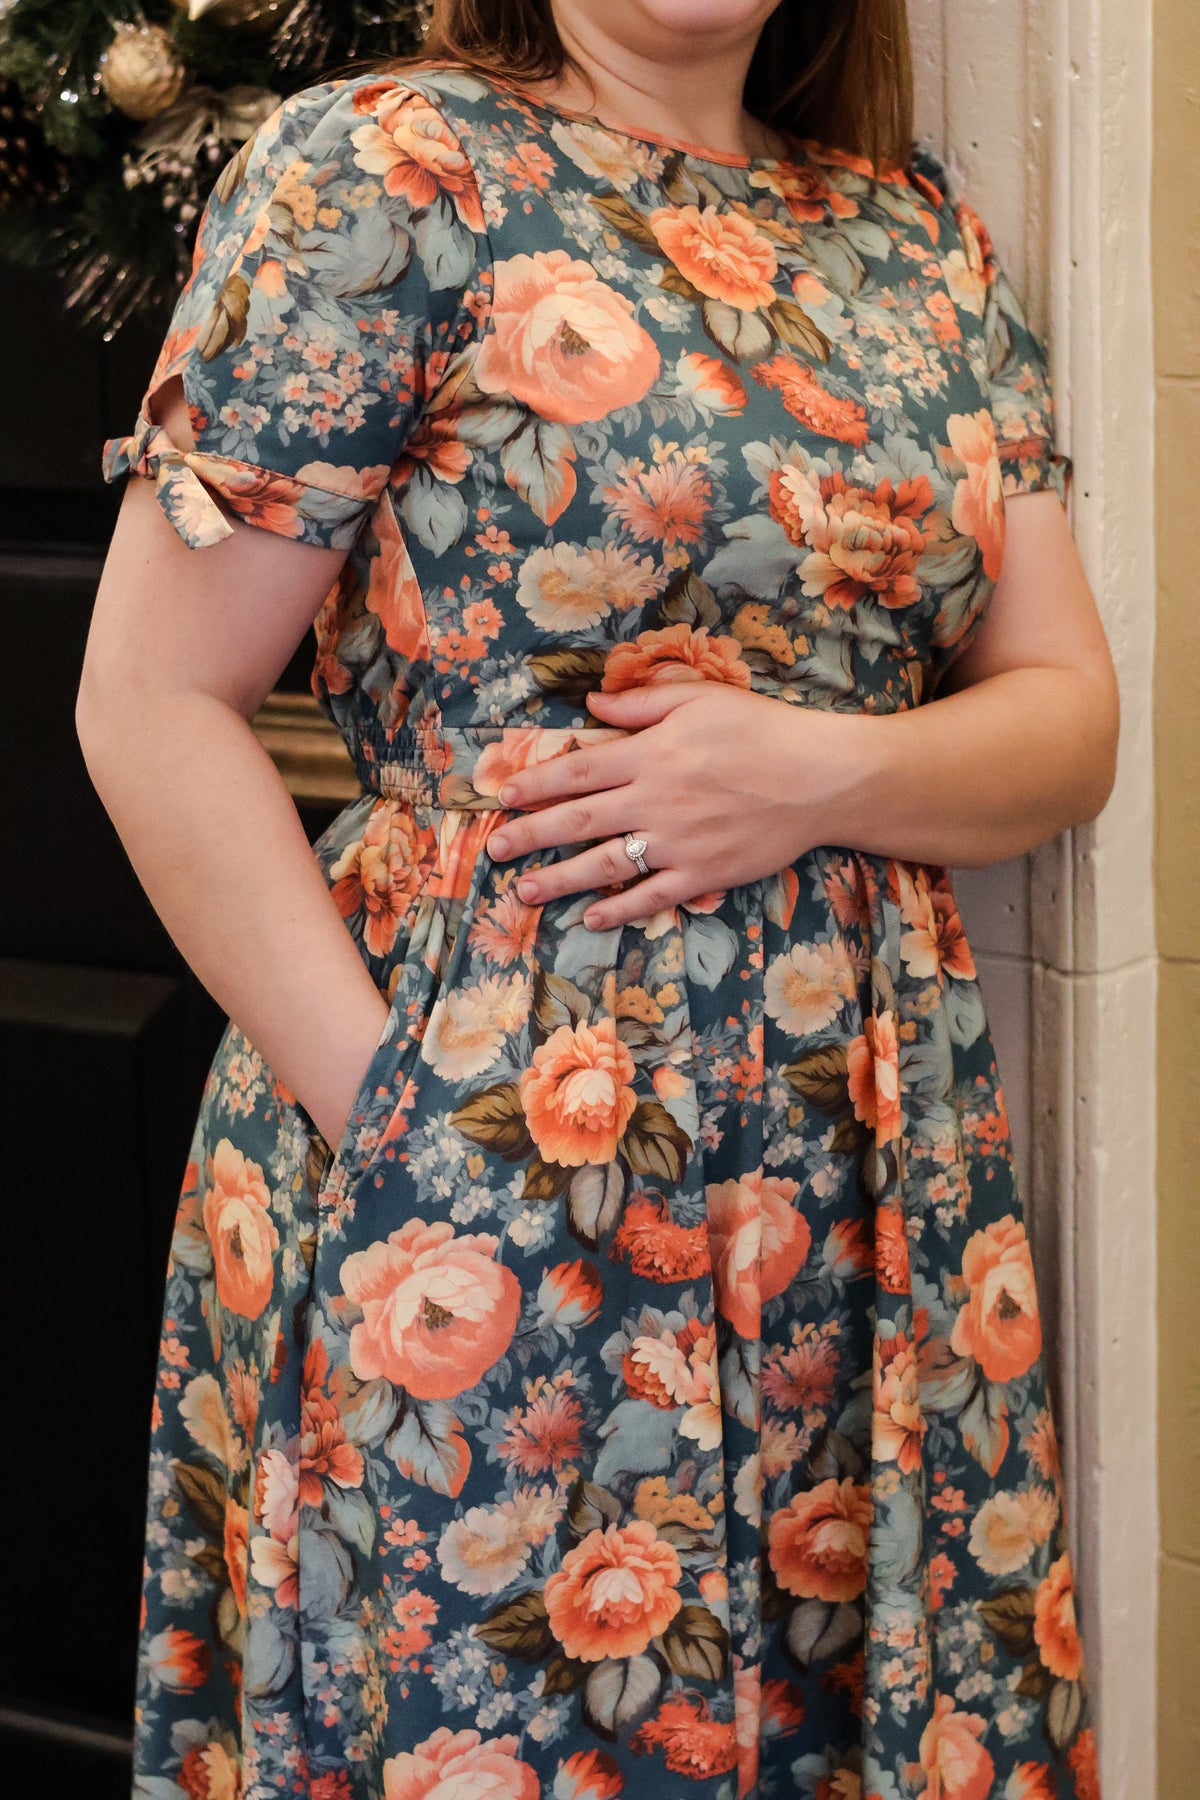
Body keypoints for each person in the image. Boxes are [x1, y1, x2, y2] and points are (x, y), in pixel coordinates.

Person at [79, 1, 1118, 1795]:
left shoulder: (912, 237)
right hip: (476, 1168)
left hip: (865, 1183)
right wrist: (405, 1137)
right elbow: (149, 702)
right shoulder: (383, 170)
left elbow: (1067, 722)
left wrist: (812, 771)